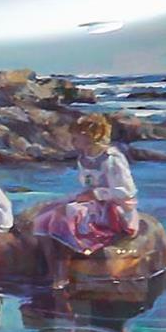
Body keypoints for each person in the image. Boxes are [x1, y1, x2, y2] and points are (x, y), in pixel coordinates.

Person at [34, 114, 140, 269]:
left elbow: (126, 191)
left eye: (76, 137)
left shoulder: (112, 158)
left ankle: (64, 268)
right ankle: (52, 267)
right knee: (46, 212)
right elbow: (87, 185)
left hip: (113, 206)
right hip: (92, 201)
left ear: (89, 136)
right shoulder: (83, 157)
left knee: (66, 213)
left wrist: (96, 194)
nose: (72, 141)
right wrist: (86, 195)